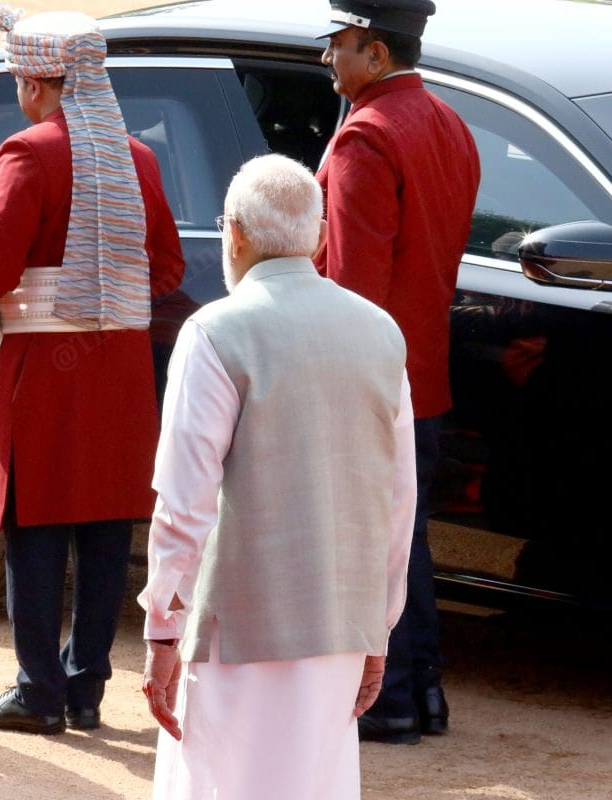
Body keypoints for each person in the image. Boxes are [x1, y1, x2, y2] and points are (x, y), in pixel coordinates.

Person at [0, 4, 183, 734]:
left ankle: (38, 690)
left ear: (38, 83)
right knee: (107, 529)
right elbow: (168, 266)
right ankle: (86, 688)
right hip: (118, 369)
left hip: (46, 367)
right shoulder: (138, 158)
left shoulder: (27, 151)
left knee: (36, 524)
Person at [139, 153, 416, 799]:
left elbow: (184, 500)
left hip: (237, 625)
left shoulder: (215, 330)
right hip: (341, 618)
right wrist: (378, 623)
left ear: (233, 233)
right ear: (320, 237)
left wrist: (161, 625)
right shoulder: (380, 331)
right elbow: (398, 497)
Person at [314, 0, 481, 744]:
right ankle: (423, 693)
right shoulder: (448, 122)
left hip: (372, 379)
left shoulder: (366, 136)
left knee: (374, 544)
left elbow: (351, 287)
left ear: (376, 53)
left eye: (338, 44)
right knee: (404, 539)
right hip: (425, 373)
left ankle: (390, 701)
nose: (327, 59)